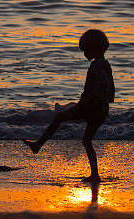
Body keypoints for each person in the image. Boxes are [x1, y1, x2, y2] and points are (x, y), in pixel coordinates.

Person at [22, 29, 114, 184]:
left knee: (59, 117)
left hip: (91, 106)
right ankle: (95, 175)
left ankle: (38, 145)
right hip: (102, 109)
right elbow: (109, 87)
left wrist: (89, 98)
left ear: (93, 48)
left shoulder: (96, 64)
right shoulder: (105, 63)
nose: (84, 54)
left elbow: (103, 84)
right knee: (86, 141)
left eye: (85, 50)